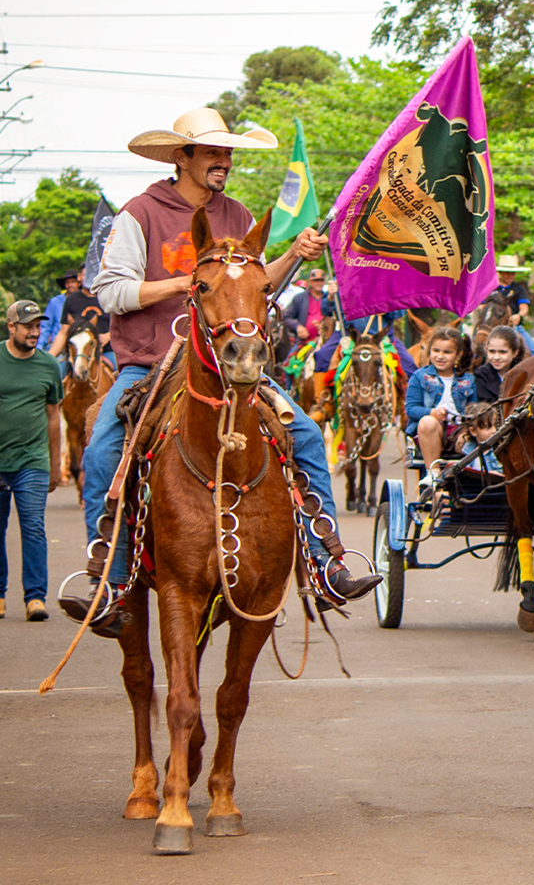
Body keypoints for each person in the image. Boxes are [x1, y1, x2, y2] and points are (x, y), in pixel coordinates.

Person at [65, 108, 380, 630]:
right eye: (213, 152)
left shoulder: (237, 214)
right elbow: (111, 292)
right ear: (181, 156)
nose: (224, 161)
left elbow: (255, 285)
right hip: (150, 364)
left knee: (304, 434)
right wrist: (188, 282)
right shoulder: (140, 214)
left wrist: (293, 255)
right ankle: (111, 584)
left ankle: (326, 564)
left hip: (231, 365)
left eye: (228, 153)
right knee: (100, 451)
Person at [0, 301, 62, 622]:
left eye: (38, 326)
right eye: (28, 326)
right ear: (11, 327)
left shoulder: (49, 365)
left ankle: (35, 597)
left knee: (34, 527)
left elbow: (53, 416)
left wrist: (56, 464)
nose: (35, 332)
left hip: (33, 461)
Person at [407, 326, 477, 467]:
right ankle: (433, 472)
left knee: (479, 432)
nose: (440, 356)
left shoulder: (469, 380)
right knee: (428, 422)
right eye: (436, 351)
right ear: (429, 351)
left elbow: (473, 408)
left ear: (458, 355)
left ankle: (477, 469)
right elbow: (411, 409)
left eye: (447, 352)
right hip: (429, 432)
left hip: (458, 431)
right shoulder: (419, 377)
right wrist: (431, 413)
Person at [473, 325, 527, 403]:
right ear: (486, 349)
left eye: (502, 352)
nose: (496, 357)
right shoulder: (481, 375)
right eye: (492, 351)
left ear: (515, 352)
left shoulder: (523, 375)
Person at [39, 270, 78, 352]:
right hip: (56, 345)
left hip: (78, 346)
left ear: (79, 283)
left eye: (73, 282)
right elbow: (46, 326)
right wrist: (39, 347)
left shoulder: (84, 301)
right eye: (67, 282)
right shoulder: (55, 302)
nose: (70, 285)